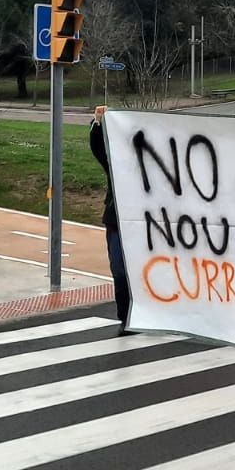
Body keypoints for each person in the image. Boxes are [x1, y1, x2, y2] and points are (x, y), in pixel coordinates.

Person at [89, 106, 133, 330]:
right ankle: (126, 317)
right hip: (117, 221)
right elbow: (98, 149)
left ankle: (146, 314)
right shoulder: (116, 164)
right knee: (119, 270)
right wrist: (97, 124)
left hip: (144, 226)